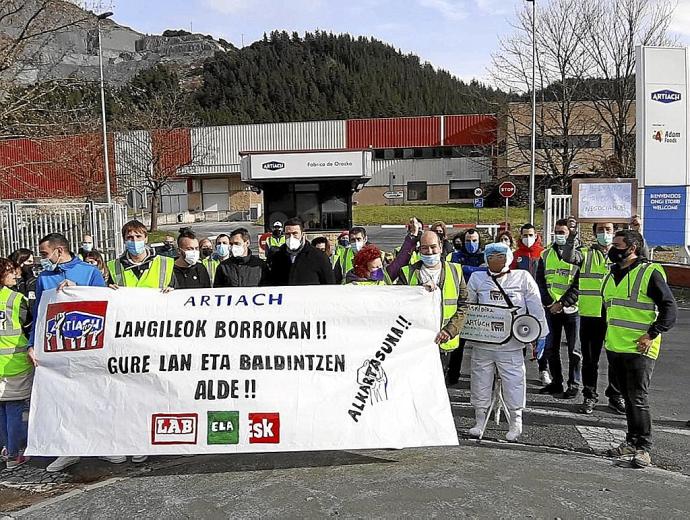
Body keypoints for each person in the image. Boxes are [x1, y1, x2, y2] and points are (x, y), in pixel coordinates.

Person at [28, 233, 121, 472]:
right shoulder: (44, 278)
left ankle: (104, 446)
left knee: (96, 396)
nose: (42, 259)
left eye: (45, 254)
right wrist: (32, 344)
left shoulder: (88, 272)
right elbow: (38, 314)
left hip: (90, 344)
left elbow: (105, 304)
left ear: (60, 250)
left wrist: (78, 290)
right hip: (57, 347)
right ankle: (68, 450)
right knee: (62, 399)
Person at [603, 230, 677, 469]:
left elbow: (669, 308)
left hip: (640, 347)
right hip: (615, 346)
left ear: (632, 248)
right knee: (627, 397)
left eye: (617, 245)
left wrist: (652, 333)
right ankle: (631, 441)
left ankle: (643, 447)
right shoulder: (611, 273)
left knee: (637, 397)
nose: (612, 248)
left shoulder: (649, 272)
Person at [466, 243, 549, 442]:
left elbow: (536, 307)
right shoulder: (478, 278)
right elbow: (467, 305)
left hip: (511, 342)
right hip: (483, 341)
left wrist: (541, 334)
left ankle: (516, 422)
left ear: (509, 257)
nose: (496, 259)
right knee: (480, 380)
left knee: (514, 381)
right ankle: (479, 420)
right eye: (491, 255)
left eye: (500, 255)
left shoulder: (522, 278)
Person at [561, 220, 625, 415]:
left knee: (617, 359)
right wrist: (572, 235)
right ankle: (590, 395)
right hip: (591, 314)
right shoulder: (587, 254)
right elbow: (568, 256)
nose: (604, 233)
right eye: (600, 230)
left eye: (608, 230)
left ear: (614, 233)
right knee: (590, 360)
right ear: (594, 232)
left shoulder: (622, 256)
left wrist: (637, 230)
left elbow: (644, 257)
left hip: (615, 315)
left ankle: (615, 395)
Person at [397, 230, 468, 357]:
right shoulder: (407, 273)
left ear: (440, 247)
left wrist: (450, 330)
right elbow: (399, 305)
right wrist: (419, 292)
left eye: (433, 247)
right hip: (416, 345)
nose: (429, 252)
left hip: (446, 344)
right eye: (424, 248)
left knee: (448, 377)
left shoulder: (456, 270)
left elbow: (464, 305)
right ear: (419, 250)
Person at [536, 219, 581, 398]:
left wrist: (562, 303)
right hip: (551, 309)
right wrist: (549, 303)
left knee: (574, 350)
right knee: (551, 348)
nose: (559, 235)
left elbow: (579, 284)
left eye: (562, 232)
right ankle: (556, 382)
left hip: (572, 309)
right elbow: (540, 281)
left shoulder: (579, 255)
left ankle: (574, 384)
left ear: (570, 234)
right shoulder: (546, 255)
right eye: (556, 232)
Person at [0, 258, 33, 470]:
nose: (16, 274)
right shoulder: (15, 299)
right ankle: (14, 454)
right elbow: (28, 326)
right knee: (14, 410)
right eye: (11, 271)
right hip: (15, 362)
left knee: (1, 410)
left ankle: (4, 449)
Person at [510, 224, 551, 385]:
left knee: (542, 335)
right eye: (525, 235)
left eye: (531, 234)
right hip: (520, 303)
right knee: (520, 335)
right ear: (520, 236)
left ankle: (543, 370)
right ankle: (518, 370)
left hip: (539, 301)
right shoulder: (515, 255)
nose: (528, 238)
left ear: (536, 235)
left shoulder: (543, 253)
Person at [107, 220, 174, 290]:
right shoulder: (114, 266)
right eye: (130, 237)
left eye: (138, 236)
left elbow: (177, 292)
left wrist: (172, 291)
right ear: (124, 240)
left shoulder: (165, 263)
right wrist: (109, 291)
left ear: (146, 239)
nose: (134, 240)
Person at [269, 218, 336, 285]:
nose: (291, 237)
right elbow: (272, 283)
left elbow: (329, 284)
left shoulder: (319, 257)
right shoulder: (278, 257)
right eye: (288, 234)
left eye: (295, 233)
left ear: (302, 234)